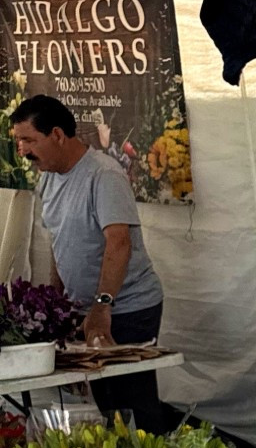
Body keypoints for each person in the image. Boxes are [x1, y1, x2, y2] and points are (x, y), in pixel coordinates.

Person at [9, 94, 169, 428]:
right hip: (87, 309)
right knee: (106, 404)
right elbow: (59, 240)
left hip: (126, 308)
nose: (22, 150)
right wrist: (58, 305)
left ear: (56, 135)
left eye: (28, 139)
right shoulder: (48, 177)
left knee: (134, 404)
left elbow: (119, 242)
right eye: (18, 141)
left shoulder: (103, 174)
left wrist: (101, 307)